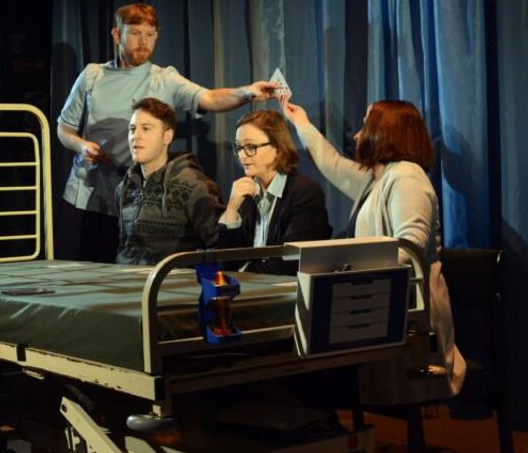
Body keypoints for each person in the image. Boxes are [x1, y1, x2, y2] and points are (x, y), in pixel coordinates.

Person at [57, 2, 282, 262]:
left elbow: (209, 98)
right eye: (135, 33)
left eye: (150, 35)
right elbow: (64, 128)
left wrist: (248, 92)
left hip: (134, 200)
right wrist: (81, 146)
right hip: (86, 195)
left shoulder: (164, 79)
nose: (144, 41)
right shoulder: (92, 76)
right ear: (117, 35)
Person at [281, 97, 466, 404]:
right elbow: (335, 166)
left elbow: (409, 246)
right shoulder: (381, 178)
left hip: (405, 308)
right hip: (382, 301)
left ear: (387, 131)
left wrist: (349, 267)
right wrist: (301, 123)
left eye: (367, 124)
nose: (358, 134)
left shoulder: (406, 177)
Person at [218, 110, 331, 274]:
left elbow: (291, 261)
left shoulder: (305, 193)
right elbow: (227, 263)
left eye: (250, 147)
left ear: (278, 148)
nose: (242, 156)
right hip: (252, 291)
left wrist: (243, 273)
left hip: (288, 294)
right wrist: (231, 210)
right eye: (239, 148)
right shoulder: (247, 193)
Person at [115, 98, 224, 266]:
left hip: (172, 287)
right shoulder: (124, 188)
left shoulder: (196, 187)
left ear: (167, 136)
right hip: (127, 285)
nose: (136, 136)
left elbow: (221, 250)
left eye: (146, 129)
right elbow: (125, 247)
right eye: (132, 129)